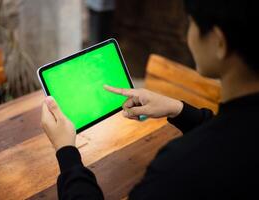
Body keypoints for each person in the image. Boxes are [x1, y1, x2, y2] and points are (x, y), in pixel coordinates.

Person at [41, 0, 259, 199]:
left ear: (219, 42)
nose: (186, 36)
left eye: (191, 23)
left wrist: (66, 152)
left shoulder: (178, 166)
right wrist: (178, 109)